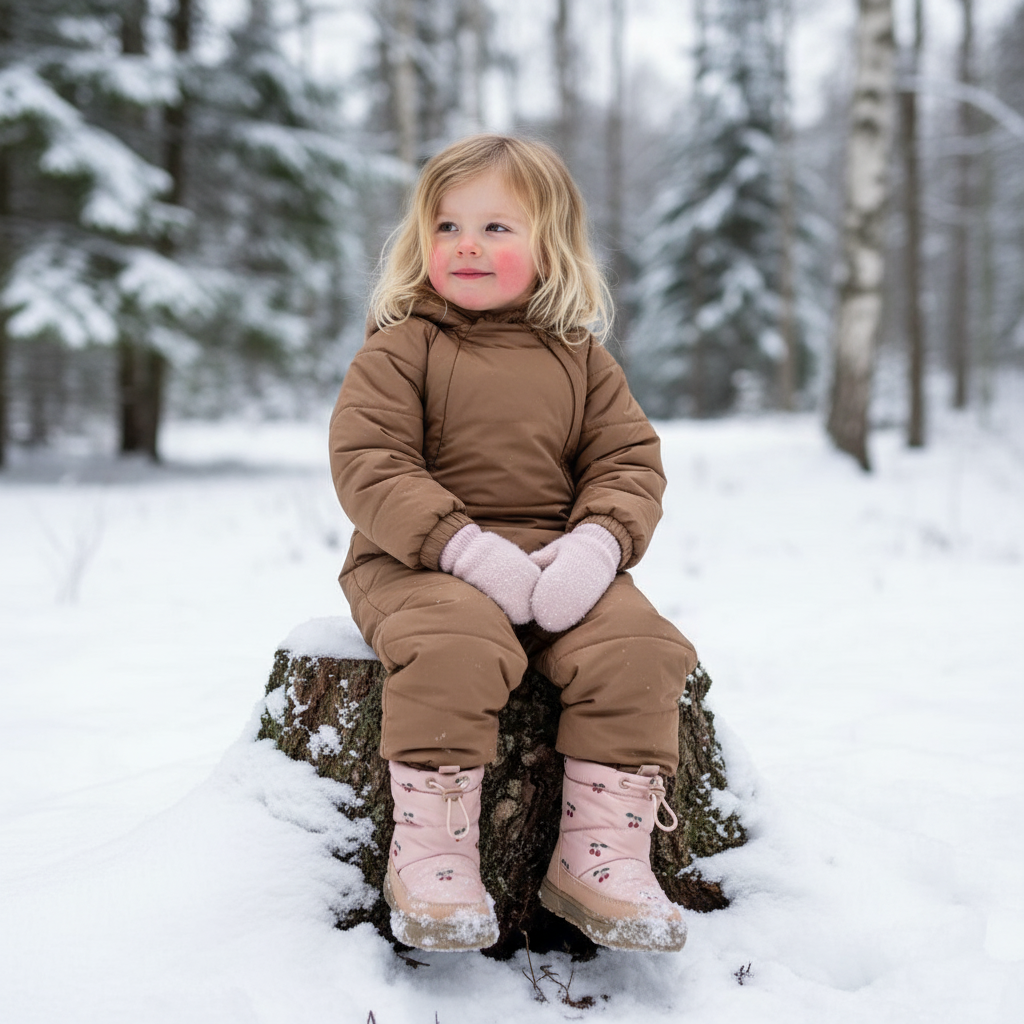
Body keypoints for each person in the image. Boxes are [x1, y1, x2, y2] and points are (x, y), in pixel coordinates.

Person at [329, 134, 697, 954]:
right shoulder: (400, 350)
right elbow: (372, 464)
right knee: (455, 644)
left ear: (550, 245)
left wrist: (597, 545)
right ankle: (432, 859)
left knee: (640, 649)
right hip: (417, 559)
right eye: (448, 225)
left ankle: (599, 859)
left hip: (557, 560)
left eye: (497, 228)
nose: (467, 244)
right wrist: (464, 548)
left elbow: (628, 461)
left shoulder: (583, 361)